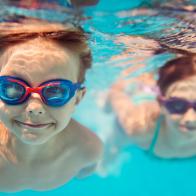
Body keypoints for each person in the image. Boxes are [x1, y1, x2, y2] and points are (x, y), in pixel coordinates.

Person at [0, 19, 103, 192]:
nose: (34, 108)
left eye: (55, 91)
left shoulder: (88, 149)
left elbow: (88, 170)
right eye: (12, 87)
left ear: (77, 98)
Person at [106, 53, 196, 160]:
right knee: (113, 146)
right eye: (177, 105)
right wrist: (107, 107)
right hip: (142, 97)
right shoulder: (138, 125)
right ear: (161, 105)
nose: (191, 119)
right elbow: (116, 92)